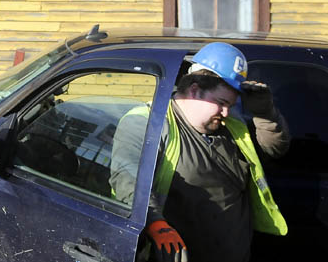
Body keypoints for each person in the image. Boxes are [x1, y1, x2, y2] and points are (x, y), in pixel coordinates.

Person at [110, 42, 290, 262]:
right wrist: (155, 223)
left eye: (231, 105)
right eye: (221, 102)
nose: (226, 112)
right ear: (194, 89)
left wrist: (265, 114)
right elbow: (127, 177)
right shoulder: (146, 123)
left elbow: (274, 150)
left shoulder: (232, 126)